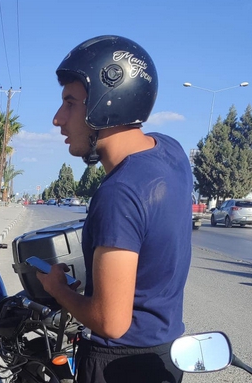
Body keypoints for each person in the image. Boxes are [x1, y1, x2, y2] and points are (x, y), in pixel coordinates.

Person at [36, 35, 192, 383]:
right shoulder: (171, 151)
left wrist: (58, 289)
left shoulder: (118, 193)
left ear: (107, 103)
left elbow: (112, 321)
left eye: (70, 103)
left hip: (119, 367)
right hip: (165, 358)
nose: (58, 119)